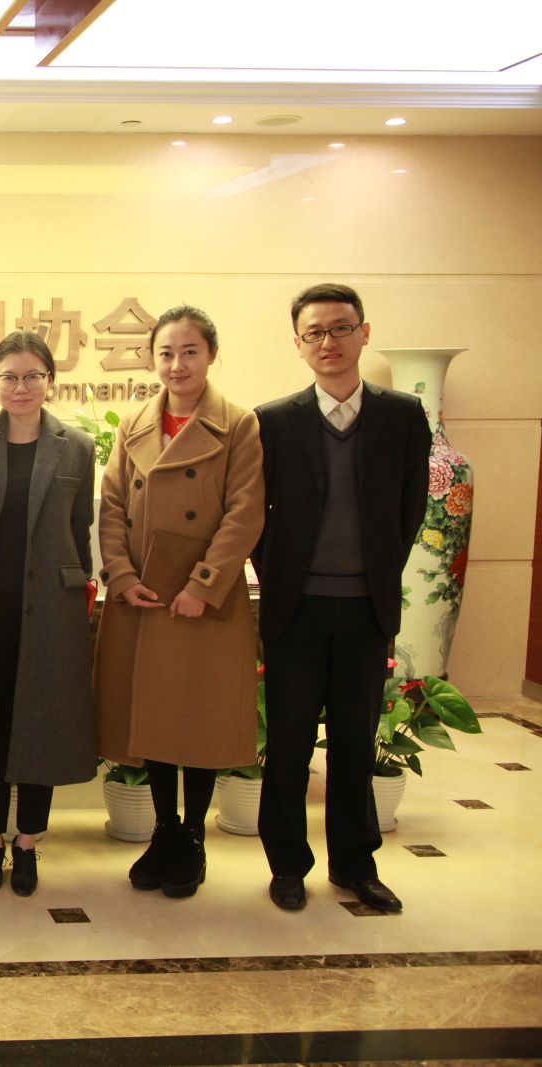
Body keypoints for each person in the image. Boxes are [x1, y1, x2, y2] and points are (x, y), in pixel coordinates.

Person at [254, 284, 432, 914]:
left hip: (365, 609)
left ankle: (355, 864)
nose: (327, 342)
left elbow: (411, 507)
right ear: (298, 343)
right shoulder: (274, 420)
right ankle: (287, 866)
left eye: (340, 328)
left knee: (356, 743)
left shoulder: (401, 415)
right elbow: (256, 516)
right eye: (314, 333)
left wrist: (374, 574)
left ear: (364, 332)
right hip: (295, 610)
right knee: (289, 743)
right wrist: (280, 577)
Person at [93, 305, 264, 899]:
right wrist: (120, 575)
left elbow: (245, 511)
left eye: (189, 351)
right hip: (144, 593)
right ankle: (164, 831)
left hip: (201, 597)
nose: (177, 364)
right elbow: (112, 506)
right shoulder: (135, 424)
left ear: (211, 354)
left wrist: (204, 585)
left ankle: (193, 836)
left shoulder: (238, 425)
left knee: (199, 717)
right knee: (156, 719)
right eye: (165, 353)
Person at [0, 331, 97, 898]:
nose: (21, 387)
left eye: (33, 376)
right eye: (9, 377)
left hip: (52, 609)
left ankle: (29, 842)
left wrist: (82, 590)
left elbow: (81, 530)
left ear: (50, 381)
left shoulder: (76, 446)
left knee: (43, 723)